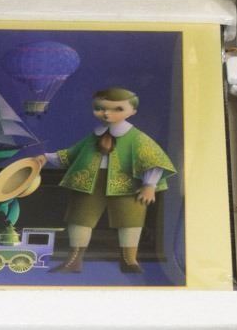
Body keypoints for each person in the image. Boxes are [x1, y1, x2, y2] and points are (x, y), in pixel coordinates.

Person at [35, 87, 176, 274]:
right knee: (80, 219)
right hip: (89, 181)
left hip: (127, 183)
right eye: (100, 108)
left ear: (132, 111)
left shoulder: (138, 138)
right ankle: (74, 260)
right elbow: (72, 154)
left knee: (130, 220)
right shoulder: (94, 136)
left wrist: (149, 185)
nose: (107, 114)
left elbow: (153, 160)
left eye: (118, 109)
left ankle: (129, 260)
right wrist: (46, 157)